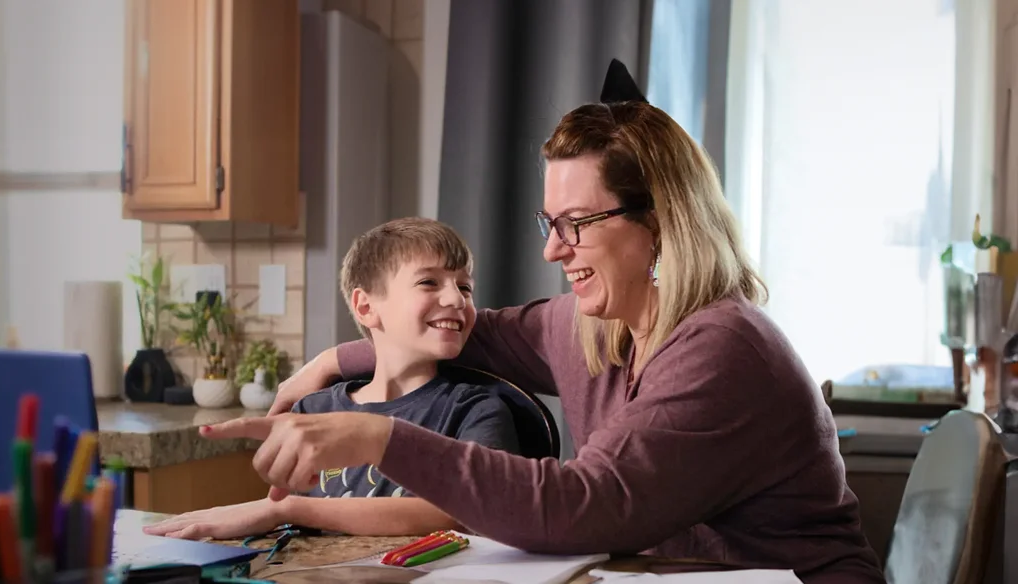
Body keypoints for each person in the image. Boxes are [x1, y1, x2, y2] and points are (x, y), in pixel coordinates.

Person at [194, 75, 887, 582]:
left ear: (660, 223)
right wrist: (332, 360)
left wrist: (378, 435)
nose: (552, 250)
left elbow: (584, 505)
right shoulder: (599, 324)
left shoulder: (721, 348)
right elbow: (465, 328)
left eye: (576, 225)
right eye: (548, 224)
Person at [144, 217, 523, 540]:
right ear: (366, 306)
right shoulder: (314, 409)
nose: (457, 299)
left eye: (465, 286)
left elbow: (462, 510)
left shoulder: (475, 410)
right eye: (429, 282)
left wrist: (289, 510)